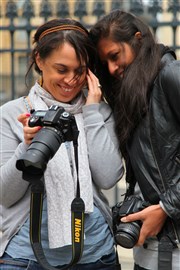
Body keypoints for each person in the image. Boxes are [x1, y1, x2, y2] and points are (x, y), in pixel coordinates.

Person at [0, 18, 124, 270]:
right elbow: (5, 194)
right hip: (25, 257)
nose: (71, 80)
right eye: (61, 69)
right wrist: (28, 145)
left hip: (95, 255)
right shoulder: (11, 114)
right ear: (39, 60)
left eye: (79, 71)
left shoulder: (99, 113)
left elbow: (108, 177)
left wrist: (91, 112)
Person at [90, 9, 180, 270]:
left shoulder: (170, 75)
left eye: (115, 56)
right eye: (103, 62)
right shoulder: (133, 94)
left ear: (137, 39)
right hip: (149, 251)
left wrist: (166, 208)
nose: (111, 68)